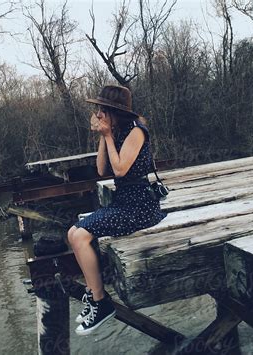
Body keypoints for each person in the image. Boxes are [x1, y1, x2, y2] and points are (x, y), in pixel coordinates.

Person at [67, 85, 167, 336]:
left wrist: (109, 136)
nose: (98, 114)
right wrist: (104, 135)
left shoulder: (136, 131)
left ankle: (101, 303)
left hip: (141, 207)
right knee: (72, 233)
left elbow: (120, 170)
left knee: (80, 236)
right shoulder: (118, 131)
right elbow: (102, 169)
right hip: (123, 202)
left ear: (115, 112)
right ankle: (93, 294)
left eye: (102, 110)